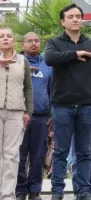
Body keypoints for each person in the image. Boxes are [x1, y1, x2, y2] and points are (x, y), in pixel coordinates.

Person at [45, 3, 91, 200]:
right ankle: (57, 191)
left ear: (82, 20)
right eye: (70, 17)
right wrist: (75, 54)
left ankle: (83, 191)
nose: (75, 19)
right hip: (62, 106)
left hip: (87, 106)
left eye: (78, 16)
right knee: (61, 151)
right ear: (63, 22)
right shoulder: (55, 43)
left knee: (84, 152)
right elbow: (50, 59)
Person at [16, 32, 52, 200]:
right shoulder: (15, 62)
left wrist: (51, 114)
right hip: (18, 116)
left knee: (38, 156)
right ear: (23, 44)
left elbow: (53, 90)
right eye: (29, 41)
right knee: (19, 156)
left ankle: (35, 191)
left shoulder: (48, 64)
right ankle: (20, 191)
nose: (33, 44)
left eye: (36, 41)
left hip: (41, 117)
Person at [0, 26, 32, 200]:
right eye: (1, 36)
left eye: (8, 36)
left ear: (13, 40)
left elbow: (28, 87)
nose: (5, 38)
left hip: (15, 112)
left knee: (11, 155)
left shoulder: (22, 61)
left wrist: (28, 110)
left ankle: (7, 195)